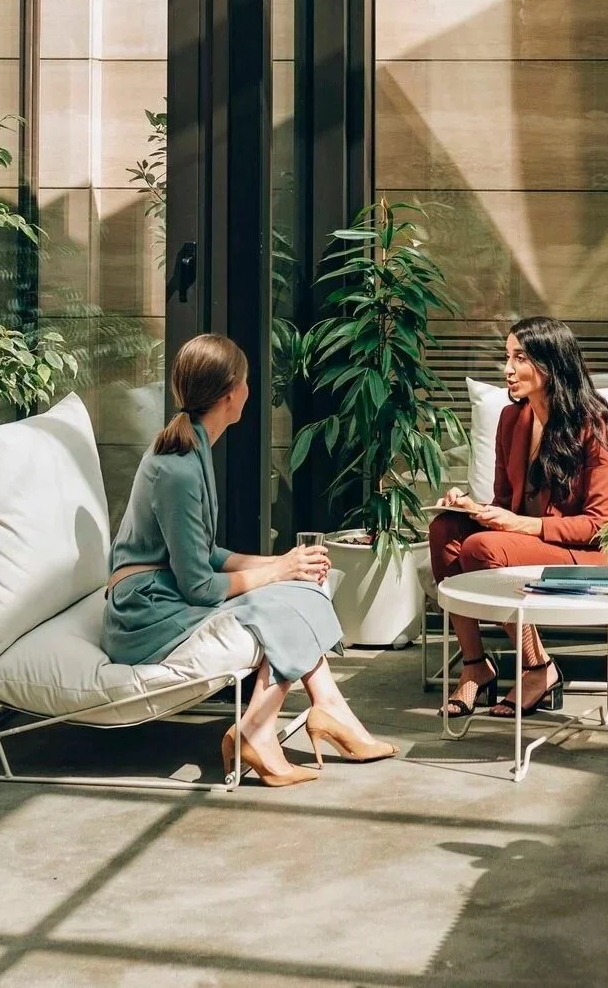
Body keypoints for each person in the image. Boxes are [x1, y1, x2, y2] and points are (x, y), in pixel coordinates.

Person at [103, 332, 397, 786]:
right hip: (144, 613)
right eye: (246, 381)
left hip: (162, 592)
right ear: (230, 393)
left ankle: (322, 709)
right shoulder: (177, 468)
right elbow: (199, 586)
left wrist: (281, 563)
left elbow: (204, 554)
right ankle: (268, 727)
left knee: (300, 588)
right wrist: (278, 570)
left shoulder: (194, 449)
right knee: (285, 603)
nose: (249, 390)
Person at [429, 316, 608, 720]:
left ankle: (539, 668)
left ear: (551, 364)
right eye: (507, 357)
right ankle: (475, 664)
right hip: (529, 542)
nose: (507, 369)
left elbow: (600, 525)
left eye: (520, 358)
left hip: (583, 551)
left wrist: (522, 525)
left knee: (481, 548)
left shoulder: (594, 426)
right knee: (445, 529)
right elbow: (505, 502)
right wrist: (471, 508)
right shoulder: (512, 419)